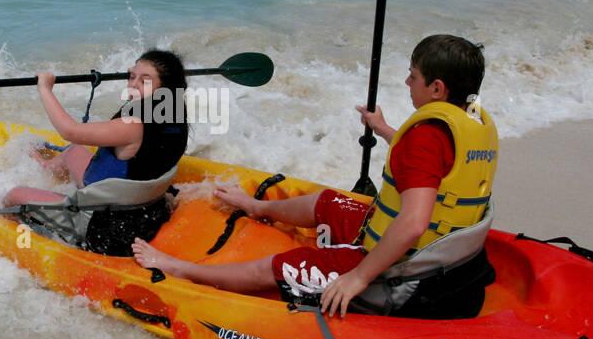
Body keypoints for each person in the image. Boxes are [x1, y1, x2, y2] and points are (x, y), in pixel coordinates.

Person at [132, 35, 498, 318]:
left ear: (437, 89)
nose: (406, 82)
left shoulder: (426, 137)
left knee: (279, 266)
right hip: (442, 256)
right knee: (328, 202)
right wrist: (384, 129)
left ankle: (182, 269)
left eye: (413, 76)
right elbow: (433, 165)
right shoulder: (470, 121)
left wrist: (359, 277)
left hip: (405, 271)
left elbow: (415, 222)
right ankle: (259, 207)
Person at [3, 50, 188, 208]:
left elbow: (70, 132)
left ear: (165, 89)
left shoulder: (133, 126)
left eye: (145, 80)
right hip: (138, 204)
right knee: (74, 151)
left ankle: (1, 214)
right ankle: (46, 166)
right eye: (132, 76)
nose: (132, 85)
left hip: (103, 219)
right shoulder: (176, 116)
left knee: (15, 194)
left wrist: (45, 88)